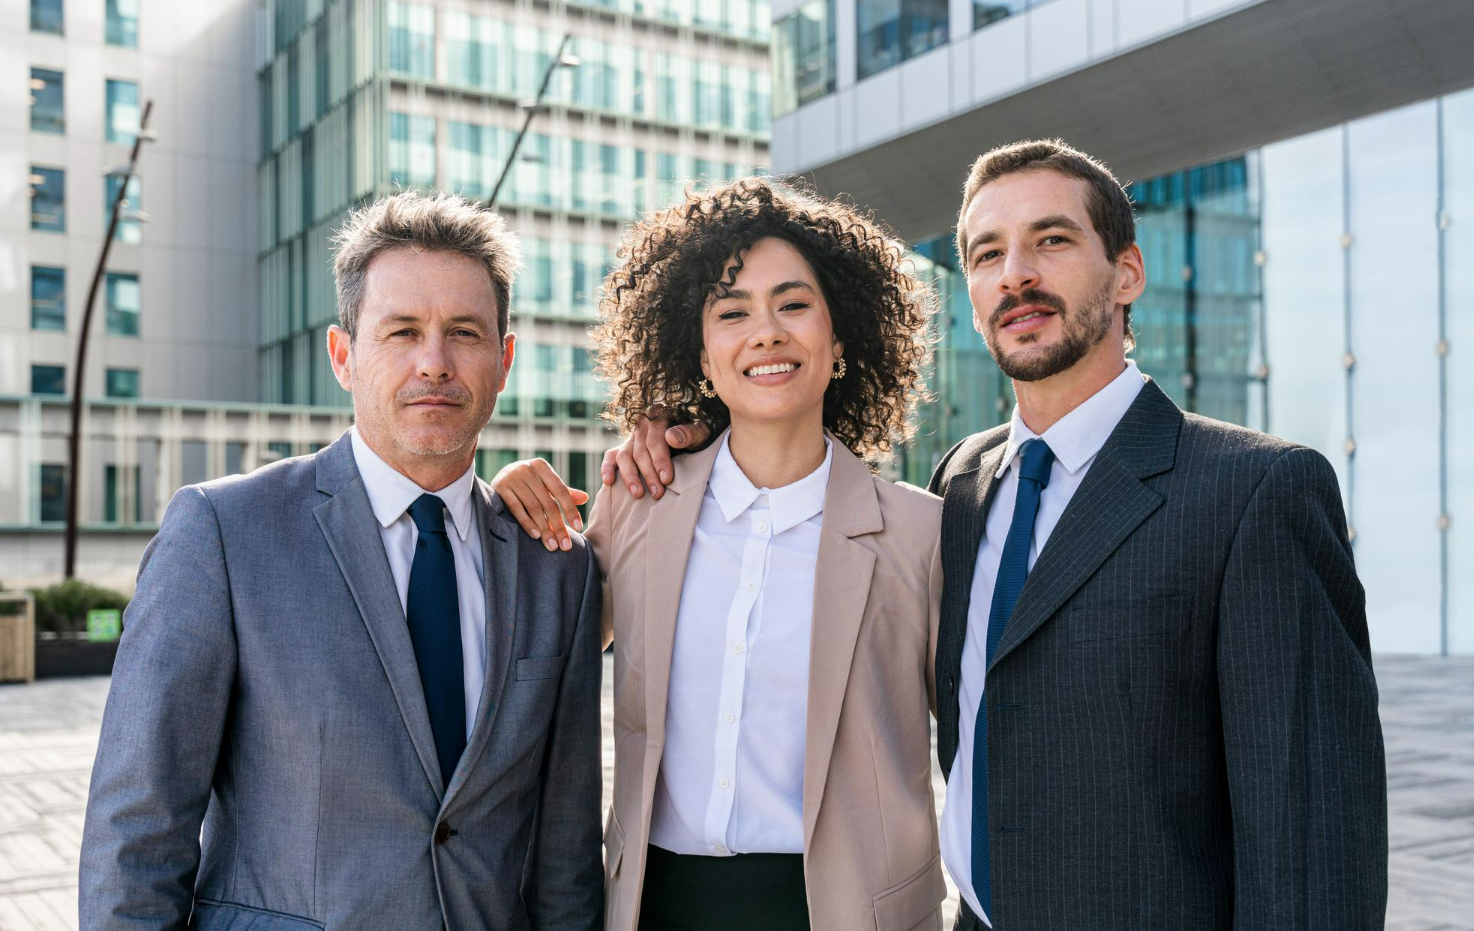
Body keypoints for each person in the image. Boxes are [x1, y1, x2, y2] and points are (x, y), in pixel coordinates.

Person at [587, 140, 1389, 930]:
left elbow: (1314, 831)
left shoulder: (1255, 489)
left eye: (1052, 239)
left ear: (1127, 273)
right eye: (987, 253)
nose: (1017, 274)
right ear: (971, 295)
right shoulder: (964, 487)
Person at [79, 191, 604, 930]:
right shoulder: (224, 532)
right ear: (343, 355)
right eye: (402, 331)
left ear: (504, 359)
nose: (435, 362)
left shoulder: (559, 569)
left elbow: (566, 860)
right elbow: (138, 831)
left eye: (464, 332)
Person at [494, 178, 947, 930]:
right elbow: (537, 632)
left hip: (845, 911)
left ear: (840, 341)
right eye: (732, 312)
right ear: (701, 355)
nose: (765, 332)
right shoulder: (637, 503)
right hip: (659, 906)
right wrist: (507, 496)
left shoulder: (919, 534)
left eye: (794, 304)